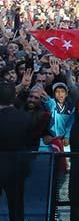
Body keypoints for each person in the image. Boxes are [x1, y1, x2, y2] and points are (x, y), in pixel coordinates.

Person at [0, 81, 39, 221]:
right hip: (18, 167)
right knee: (16, 207)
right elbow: (30, 142)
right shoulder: (26, 118)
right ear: (14, 97)